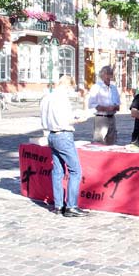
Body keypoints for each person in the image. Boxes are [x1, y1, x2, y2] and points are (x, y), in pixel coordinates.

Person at [40, 75, 88, 217]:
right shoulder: (62, 99)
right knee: (75, 171)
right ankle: (71, 206)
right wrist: (79, 119)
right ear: (67, 85)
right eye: (70, 89)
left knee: (57, 171)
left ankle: (58, 205)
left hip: (52, 134)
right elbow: (66, 119)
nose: (69, 91)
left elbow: (43, 119)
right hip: (63, 134)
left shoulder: (47, 98)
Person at [88, 65, 120, 145]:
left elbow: (118, 104)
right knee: (99, 142)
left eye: (111, 74)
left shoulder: (113, 88)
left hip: (112, 117)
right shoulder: (96, 87)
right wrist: (105, 108)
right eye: (107, 74)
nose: (109, 76)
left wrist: (115, 107)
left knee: (112, 142)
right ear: (102, 75)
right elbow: (92, 104)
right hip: (101, 118)